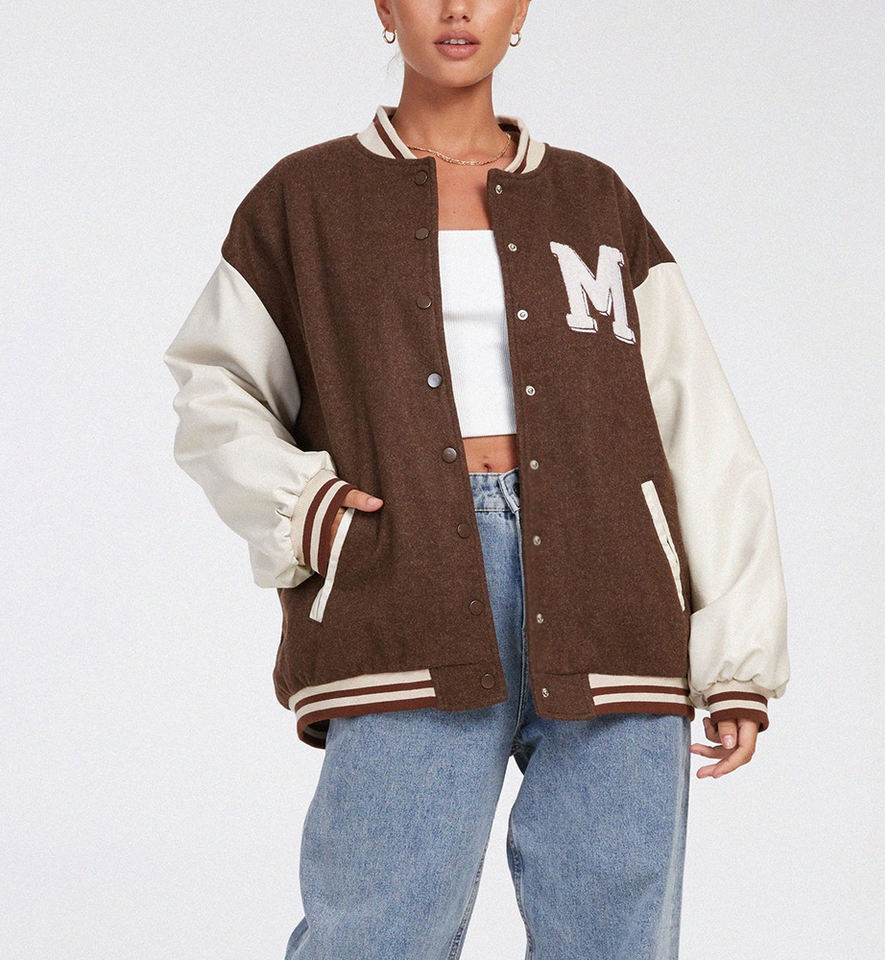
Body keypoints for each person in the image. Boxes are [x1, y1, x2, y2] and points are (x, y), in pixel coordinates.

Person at [162, 2, 790, 957]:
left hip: (614, 593)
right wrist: (310, 514)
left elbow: (695, 421)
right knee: (376, 932)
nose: (458, 8)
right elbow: (216, 388)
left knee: (615, 940)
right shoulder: (307, 198)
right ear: (385, 8)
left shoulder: (594, 200)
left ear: (521, 10)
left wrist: (737, 655)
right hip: (404, 585)